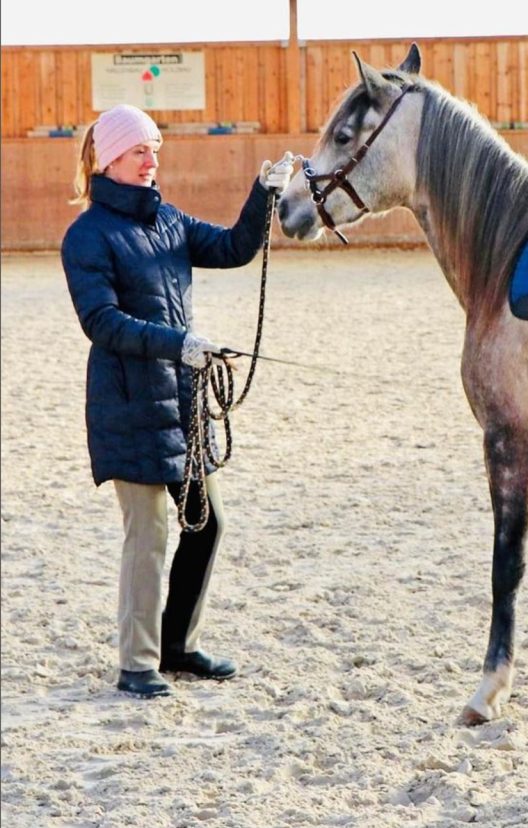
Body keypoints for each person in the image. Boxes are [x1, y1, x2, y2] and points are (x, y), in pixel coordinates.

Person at [62, 104, 294, 699]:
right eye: (141, 150)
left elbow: (232, 248)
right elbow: (102, 322)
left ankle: (177, 646)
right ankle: (137, 663)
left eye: (155, 149)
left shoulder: (166, 219)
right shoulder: (87, 235)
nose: (151, 159)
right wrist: (179, 343)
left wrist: (262, 197)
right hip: (128, 405)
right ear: (110, 158)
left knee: (208, 523)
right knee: (149, 533)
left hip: (182, 399)